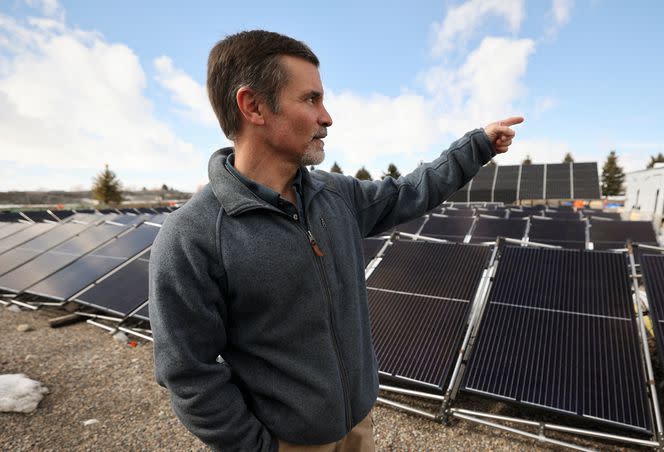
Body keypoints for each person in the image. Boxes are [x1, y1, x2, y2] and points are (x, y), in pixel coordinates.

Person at [149, 29, 522, 452]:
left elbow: (408, 191)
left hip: (357, 424)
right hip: (288, 443)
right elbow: (188, 372)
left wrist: (476, 147)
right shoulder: (193, 237)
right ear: (253, 106)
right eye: (311, 99)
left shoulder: (336, 196)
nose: (327, 117)